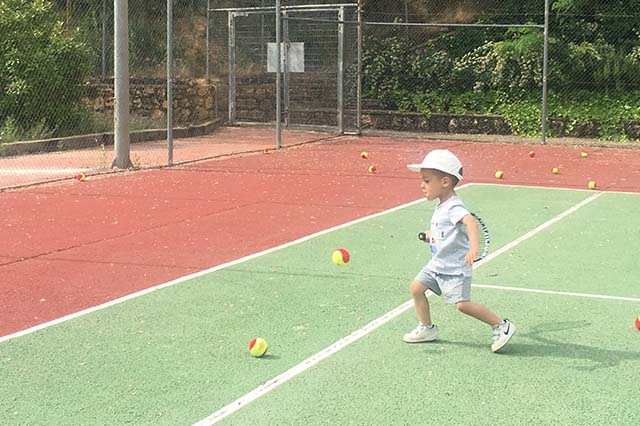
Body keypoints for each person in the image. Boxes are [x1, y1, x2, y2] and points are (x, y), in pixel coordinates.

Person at [403, 149, 516, 353]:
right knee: (416, 288)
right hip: (437, 265)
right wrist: (430, 236)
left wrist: (473, 249)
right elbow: (445, 232)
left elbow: (470, 222)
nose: (422, 185)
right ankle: (427, 328)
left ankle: (501, 325)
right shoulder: (442, 206)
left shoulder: (454, 206)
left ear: (445, 182)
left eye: (427, 180)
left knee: (462, 305)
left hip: (454, 269)